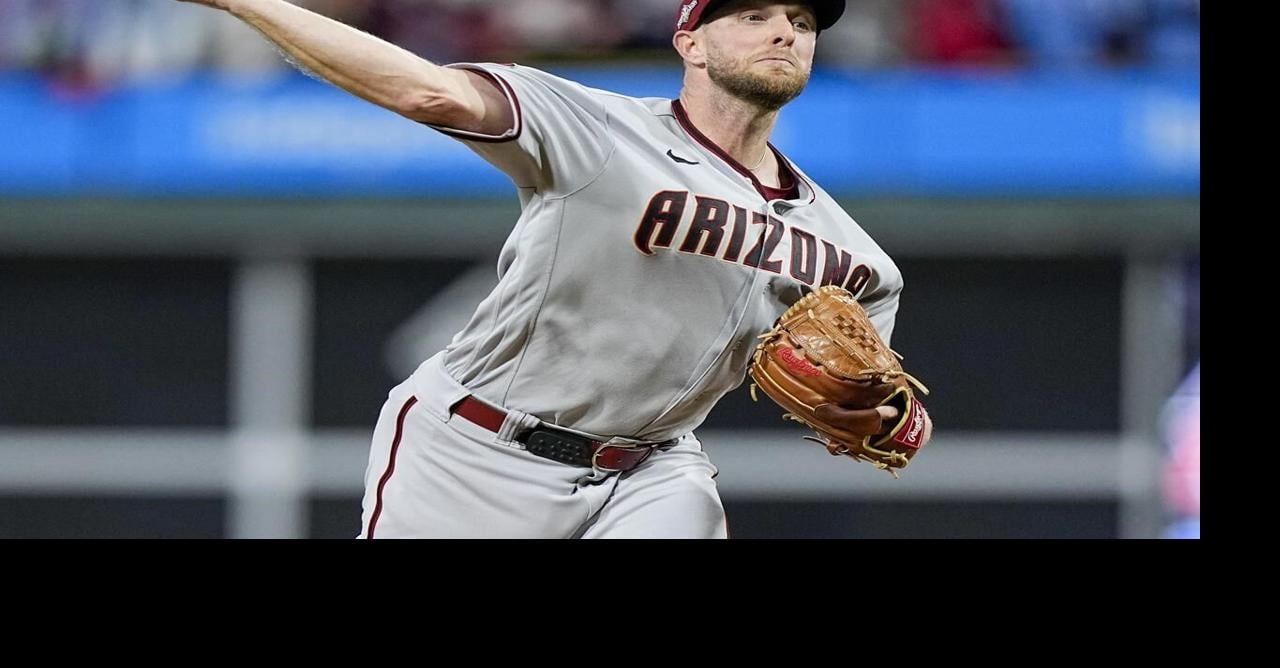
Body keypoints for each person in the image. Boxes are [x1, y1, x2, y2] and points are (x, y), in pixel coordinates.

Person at [177, 0, 920, 538]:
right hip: (474, 449)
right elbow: (427, 90)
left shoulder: (854, 257)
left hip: (651, 471)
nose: (785, 30)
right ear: (690, 43)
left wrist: (893, 418)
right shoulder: (596, 126)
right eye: (753, 15)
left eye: (802, 20)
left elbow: (884, 411)